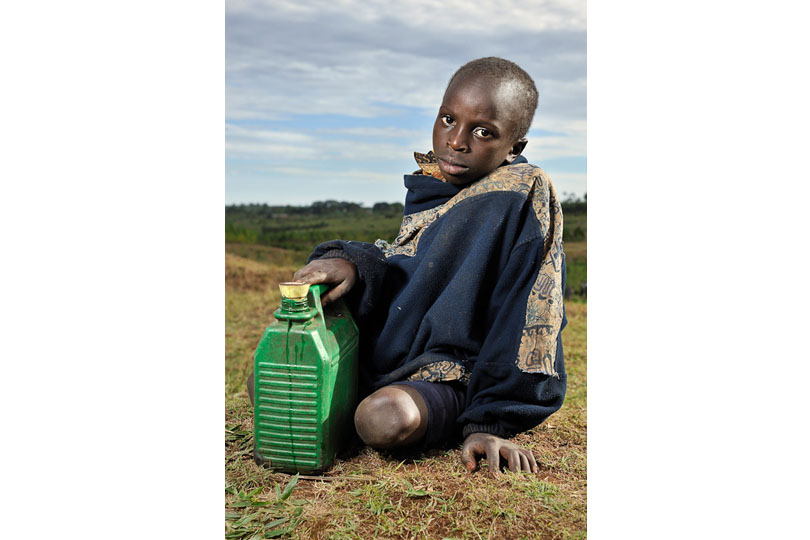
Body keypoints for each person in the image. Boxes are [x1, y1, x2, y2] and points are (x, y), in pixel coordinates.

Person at [293, 57, 566, 474]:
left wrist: (489, 422)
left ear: (514, 147)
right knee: (272, 385)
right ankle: (349, 397)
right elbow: (408, 264)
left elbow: (527, 310)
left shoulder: (522, 193)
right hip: (391, 354)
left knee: (383, 420)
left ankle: (367, 408)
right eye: (447, 119)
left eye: (482, 132)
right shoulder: (430, 187)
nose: (456, 141)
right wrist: (350, 263)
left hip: (455, 373)